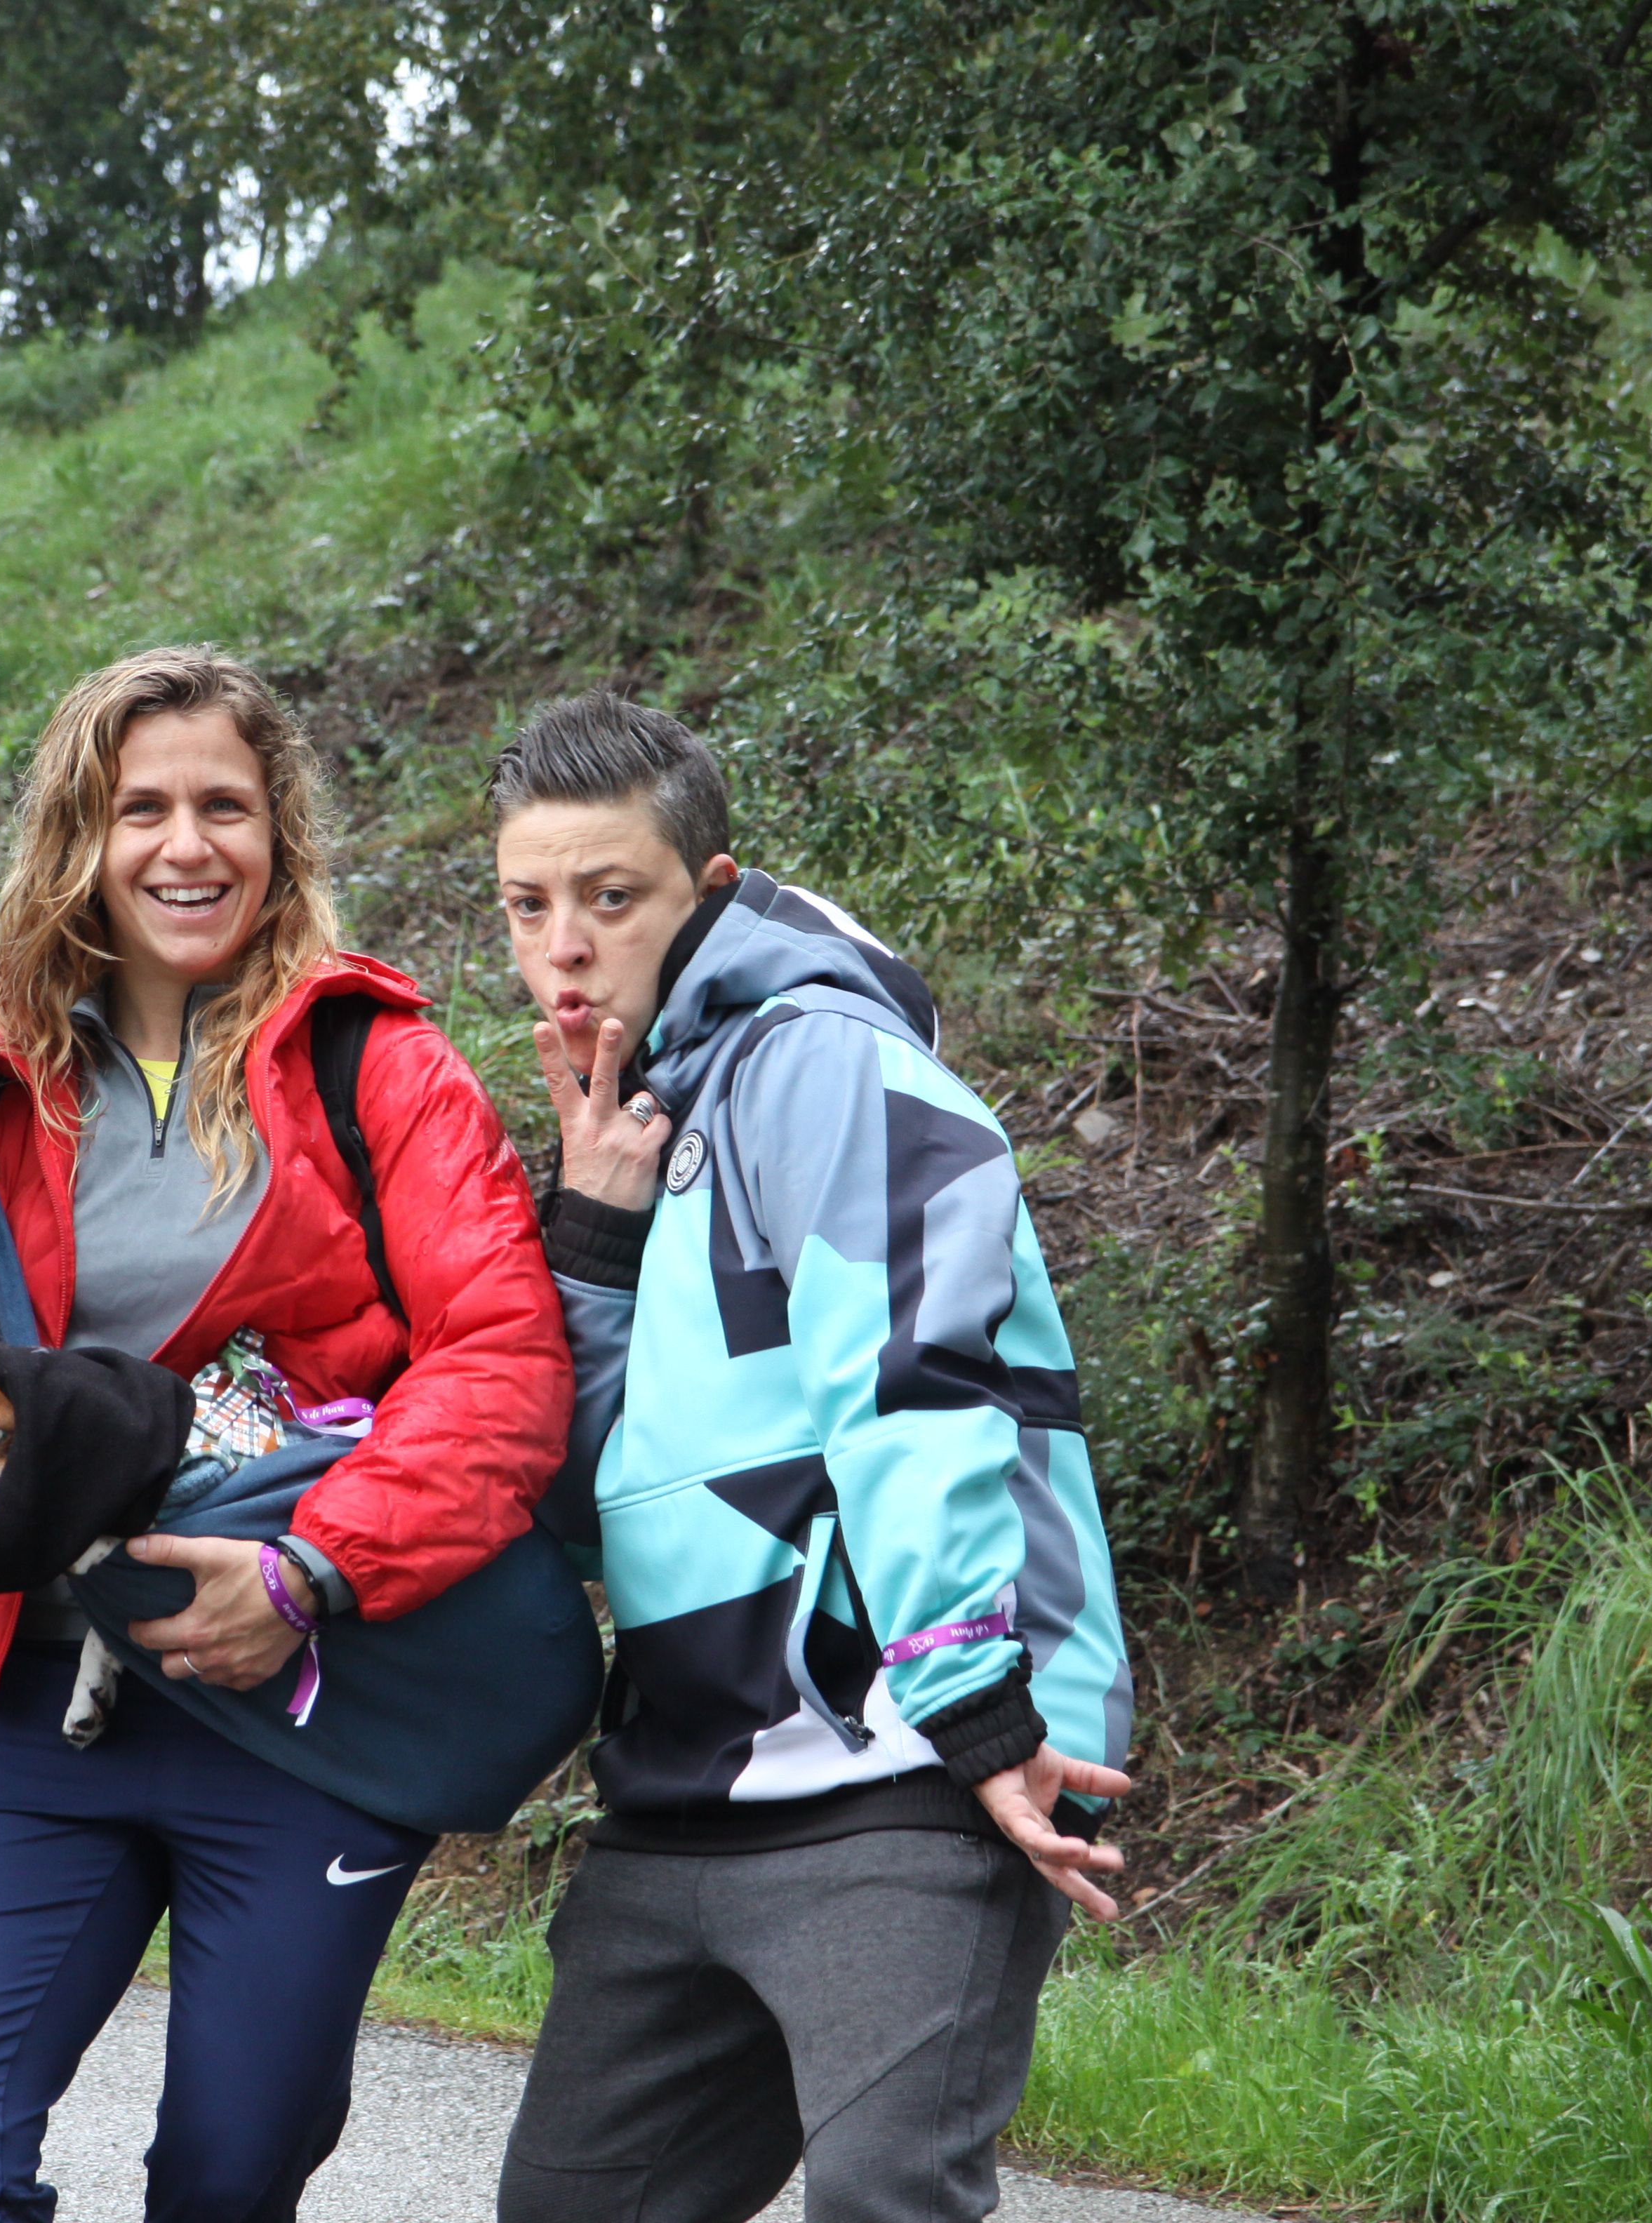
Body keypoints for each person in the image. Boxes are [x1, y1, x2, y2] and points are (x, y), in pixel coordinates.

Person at [0, 645, 574, 2223]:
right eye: (143, 808)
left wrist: (308, 1576)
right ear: (80, 835)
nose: (187, 845)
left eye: (225, 806)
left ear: (282, 838)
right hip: (31, 1690)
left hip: (305, 1699)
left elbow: (505, 1369)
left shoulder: (377, 1066)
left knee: (231, 2170)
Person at [484, 693, 1136, 2223]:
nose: (565, 945)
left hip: (903, 1765)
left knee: (883, 2200)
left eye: (611, 896)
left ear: (710, 894)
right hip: (687, 1785)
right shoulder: (650, 1120)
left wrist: (974, 1696)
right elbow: (590, 1505)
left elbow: (913, 1376)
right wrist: (589, 1240)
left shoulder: (823, 1061)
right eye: (529, 905)